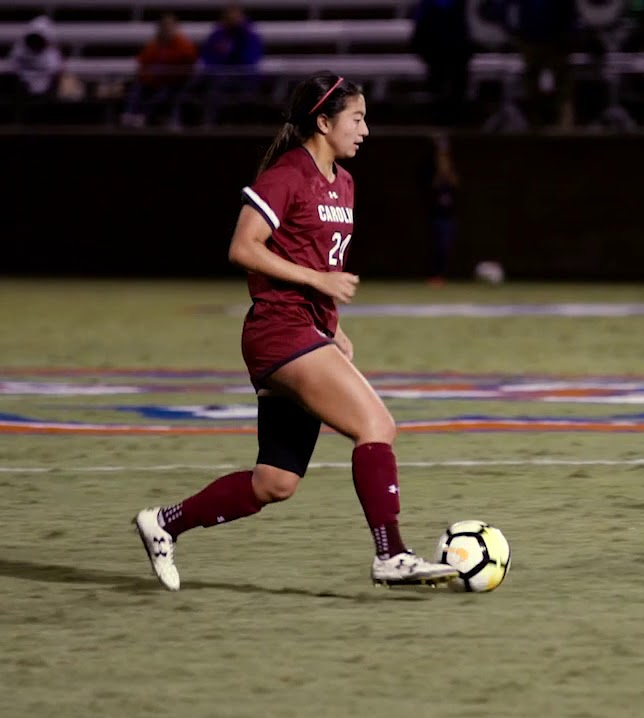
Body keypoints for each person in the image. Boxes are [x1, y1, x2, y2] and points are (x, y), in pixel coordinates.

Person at [133, 72, 460, 590]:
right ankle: (391, 554)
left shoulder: (345, 183)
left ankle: (164, 523)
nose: (366, 130)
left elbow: (312, 258)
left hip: (305, 331)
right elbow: (244, 248)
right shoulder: (288, 174)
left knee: (275, 483)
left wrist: (334, 325)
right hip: (278, 331)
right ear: (324, 122)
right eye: (357, 118)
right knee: (377, 425)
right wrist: (317, 283)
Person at [420, 133, 460, 285]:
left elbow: (457, 186)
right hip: (435, 215)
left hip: (448, 215)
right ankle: (433, 275)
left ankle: (442, 274)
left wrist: (447, 170)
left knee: (446, 246)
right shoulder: (429, 168)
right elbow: (430, 188)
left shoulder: (451, 168)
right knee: (435, 246)